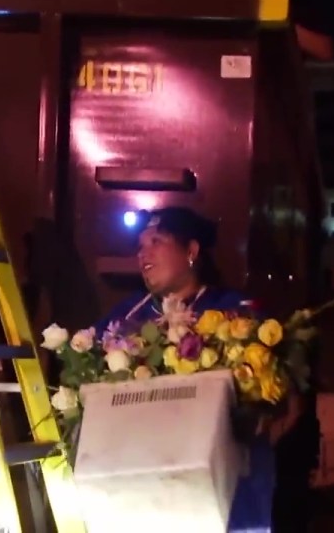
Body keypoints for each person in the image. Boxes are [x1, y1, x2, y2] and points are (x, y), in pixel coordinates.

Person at [96, 206, 302, 532]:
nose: (143, 253)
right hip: (148, 489)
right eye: (139, 245)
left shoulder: (236, 314)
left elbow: (286, 402)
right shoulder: (124, 318)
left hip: (229, 493)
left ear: (191, 251)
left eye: (156, 241)